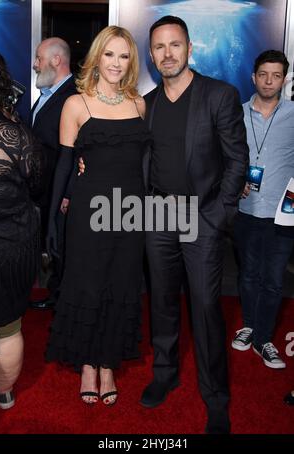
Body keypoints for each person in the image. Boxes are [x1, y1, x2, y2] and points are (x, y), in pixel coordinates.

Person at [140, 16, 248, 434]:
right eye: (159, 47)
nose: (167, 54)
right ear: (151, 54)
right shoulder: (146, 104)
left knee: (205, 309)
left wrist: (218, 216)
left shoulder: (218, 95)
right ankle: (165, 373)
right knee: (163, 303)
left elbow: (237, 160)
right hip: (157, 219)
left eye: (175, 45)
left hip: (202, 219)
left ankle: (216, 397)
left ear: (189, 48)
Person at [46, 26, 149, 406]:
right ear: (97, 57)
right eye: (109, 55)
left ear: (131, 61)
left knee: (121, 285)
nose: (116, 63)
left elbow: (142, 165)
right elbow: (65, 165)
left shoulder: (139, 104)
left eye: (123, 56)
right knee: (87, 284)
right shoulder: (77, 104)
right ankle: (88, 364)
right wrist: (54, 222)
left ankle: (108, 363)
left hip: (130, 212)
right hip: (88, 211)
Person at [231, 50, 294, 370]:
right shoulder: (236, 114)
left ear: (284, 79)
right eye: (264, 74)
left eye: (277, 75)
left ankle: (264, 337)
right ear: (254, 77)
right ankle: (251, 324)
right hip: (246, 209)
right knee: (248, 274)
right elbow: (225, 157)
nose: (270, 81)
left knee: (273, 279)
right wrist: (235, 180)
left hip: (284, 214)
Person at [0, 51, 44, 409]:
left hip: (10, 241)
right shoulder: (16, 134)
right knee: (6, 325)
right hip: (12, 243)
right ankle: (5, 393)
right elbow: (36, 185)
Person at [30, 37, 77, 309]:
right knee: (55, 246)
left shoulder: (73, 95)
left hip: (61, 192)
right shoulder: (46, 95)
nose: (35, 65)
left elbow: (76, 152)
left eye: (39, 58)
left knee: (63, 248)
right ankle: (56, 294)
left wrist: (67, 193)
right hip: (44, 190)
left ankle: (64, 303)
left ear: (56, 60)